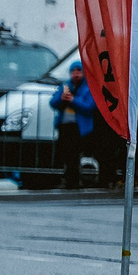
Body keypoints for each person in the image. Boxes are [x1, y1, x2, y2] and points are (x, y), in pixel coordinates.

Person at [52, 61, 99, 189]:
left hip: (79, 127)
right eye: (73, 72)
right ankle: (66, 179)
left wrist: (73, 100)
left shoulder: (88, 88)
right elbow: (53, 102)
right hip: (64, 126)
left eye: (78, 71)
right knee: (64, 154)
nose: (75, 74)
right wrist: (62, 97)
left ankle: (73, 180)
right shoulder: (66, 85)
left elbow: (89, 107)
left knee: (74, 155)